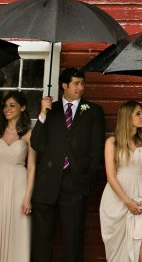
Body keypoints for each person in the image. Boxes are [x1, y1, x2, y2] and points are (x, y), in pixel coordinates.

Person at [31, 67, 106, 262]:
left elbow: (96, 150)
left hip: (75, 186)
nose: (81, 87)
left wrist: (87, 181)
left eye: (83, 83)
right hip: (47, 184)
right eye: (76, 83)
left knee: (73, 242)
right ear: (64, 85)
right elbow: (37, 144)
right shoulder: (50, 110)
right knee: (41, 241)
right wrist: (42, 114)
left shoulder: (94, 112)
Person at [100, 100, 142, 262]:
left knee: (137, 244)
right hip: (118, 197)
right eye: (138, 113)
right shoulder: (112, 142)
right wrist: (127, 201)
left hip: (141, 196)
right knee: (123, 250)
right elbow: (111, 176)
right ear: (127, 117)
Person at [0, 91, 35, 262]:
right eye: (5, 105)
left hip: (18, 184)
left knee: (15, 227)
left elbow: (32, 166)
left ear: (22, 108)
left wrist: (28, 197)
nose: (7, 109)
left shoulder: (28, 134)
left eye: (12, 105)